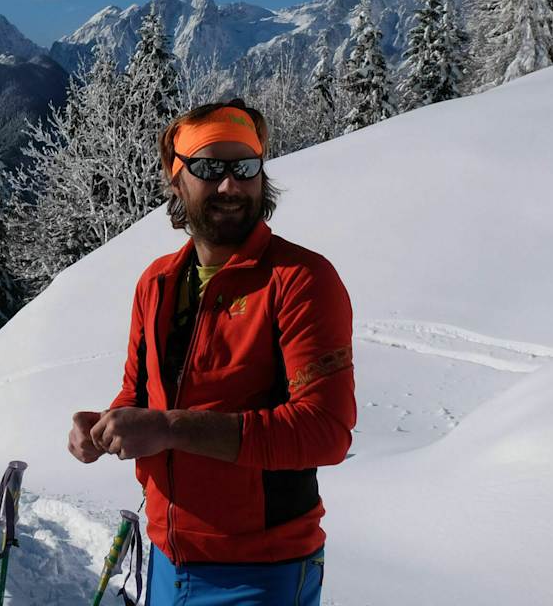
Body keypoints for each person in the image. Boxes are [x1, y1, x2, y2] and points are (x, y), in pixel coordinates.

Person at [68, 100, 356, 606]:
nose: (230, 185)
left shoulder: (300, 281)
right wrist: (107, 424)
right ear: (175, 179)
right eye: (209, 168)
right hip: (165, 560)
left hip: (261, 574)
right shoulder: (156, 283)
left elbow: (324, 431)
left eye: (245, 167)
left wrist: (169, 428)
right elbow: (139, 393)